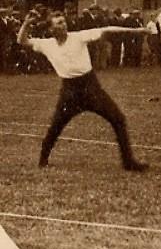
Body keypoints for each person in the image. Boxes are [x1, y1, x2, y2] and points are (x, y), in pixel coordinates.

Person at [17, 10, 150, 171]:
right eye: (59, 23)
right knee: (56, 127)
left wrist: (136, 31)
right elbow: (22, 41)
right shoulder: (47, 44)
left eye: (64, 21)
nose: (64, 24)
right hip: (69, 92)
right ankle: (43, 160)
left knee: (118, 119)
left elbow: (107, 29)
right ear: (51, 29)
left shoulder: (78, 37)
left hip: (91, 87)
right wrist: (26, 24)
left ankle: (129, 163)